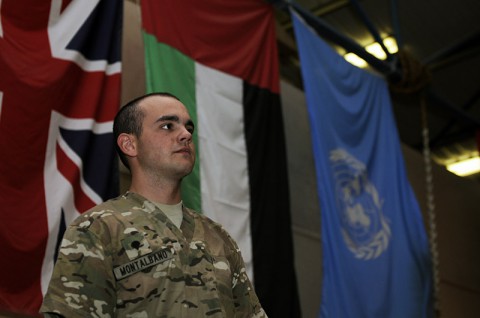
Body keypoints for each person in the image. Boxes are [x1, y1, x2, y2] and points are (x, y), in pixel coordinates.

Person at [40, 92, 267, 317]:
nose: (186, 135)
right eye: (168, 126)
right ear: (130, 144)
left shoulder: (219, 237)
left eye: (189, 128)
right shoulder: (99, 228)